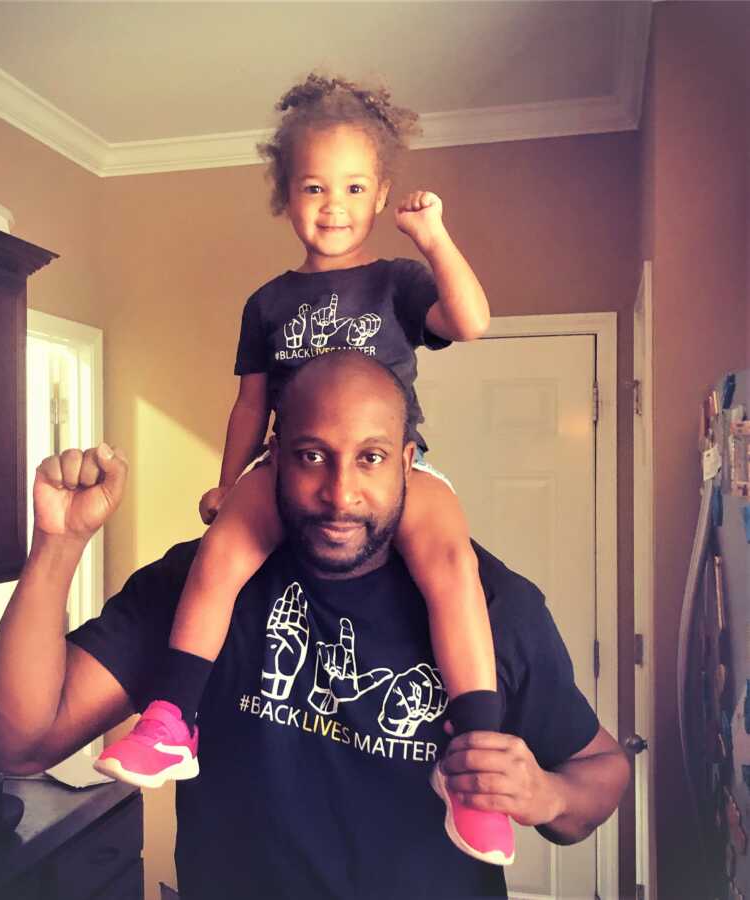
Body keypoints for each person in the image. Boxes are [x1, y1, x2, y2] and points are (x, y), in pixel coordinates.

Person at [0, 352, 630, 900]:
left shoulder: (492, 610)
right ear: (275, 458)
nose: (340, 493)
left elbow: (601, 771)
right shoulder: (198, 589)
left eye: (370, 459)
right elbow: (19, 745)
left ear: (410, 463)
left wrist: (546, 793)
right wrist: (58, 546)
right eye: (313, 455)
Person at [96, 72, 510, 863]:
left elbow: (472, 321)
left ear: (380, 190)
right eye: (314, 186)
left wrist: (433, 239)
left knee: (451, 565)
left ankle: (476, 761)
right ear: (286, 194)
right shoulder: (267, 303)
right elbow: (251, 405)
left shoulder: (396, 281)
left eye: (355, 187)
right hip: (288, 464)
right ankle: (171, 719)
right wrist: (229, 480)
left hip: (392, 467)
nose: (334, 204)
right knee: (218, 560)